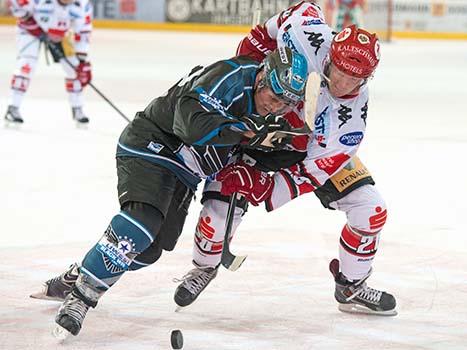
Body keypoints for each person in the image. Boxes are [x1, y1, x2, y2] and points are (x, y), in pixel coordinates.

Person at [45, 46, 309, 336]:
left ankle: (82, 271)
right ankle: (81, 297)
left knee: (149, 251)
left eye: (284, 105)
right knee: (142, 224)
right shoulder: (229, 77)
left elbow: (257, 147)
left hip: (186, 173)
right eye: (272, 98)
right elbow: (190, 125)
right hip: (154, 144)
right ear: (262, 78)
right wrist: (246, 130)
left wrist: (286, 148)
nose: (274, 107)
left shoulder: (269, 108)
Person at [172, 2, 396, 316]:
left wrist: (263, 186)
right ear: (330, 53)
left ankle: (352, 284)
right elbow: (270, 29)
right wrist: (247, 72)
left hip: (309, 152)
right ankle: (204, 267)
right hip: (257, 132)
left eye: (354, 79)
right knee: (217, 216)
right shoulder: (308, 32)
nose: (343, 84)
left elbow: (311, 173)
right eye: (340, 71)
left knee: (370, 208)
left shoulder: (350, 124)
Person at [4, 0, 93, 124]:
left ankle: (78, 108)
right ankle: (13, 107)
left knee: (74, 69)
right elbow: (16, 4)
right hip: (30, 33)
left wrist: (83, 62)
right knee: (26, 66)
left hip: (60, 34)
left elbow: (83, 32)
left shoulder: (83, 5)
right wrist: (32, 26)